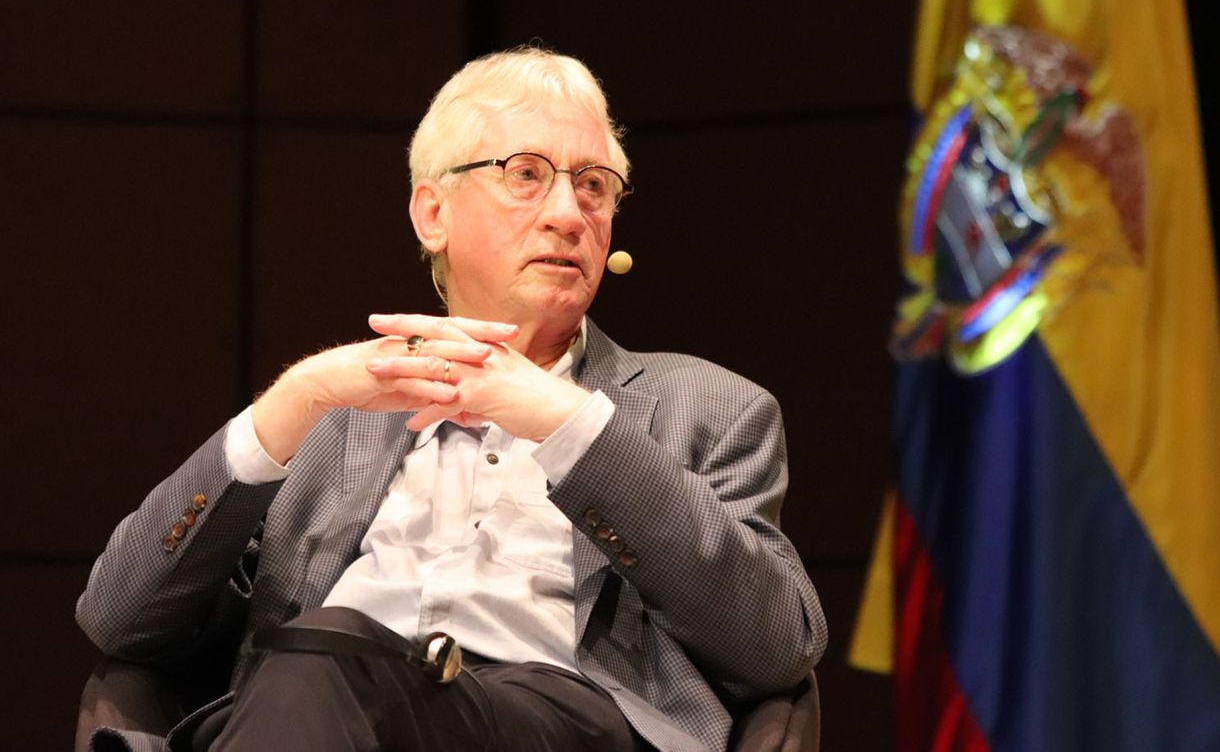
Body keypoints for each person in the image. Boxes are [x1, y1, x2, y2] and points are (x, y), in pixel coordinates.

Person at [76, 47, 827, 752]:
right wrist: (294, 398)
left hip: (553, 715)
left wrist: (569, 426)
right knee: (320, 660)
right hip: (321, 704)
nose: (570, 213)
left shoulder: (710, 406)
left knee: (321, 660)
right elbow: (121, 621)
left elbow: (776, 645)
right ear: (433, 213)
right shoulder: (336, 419)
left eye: (593, 184)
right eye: (527, 174)